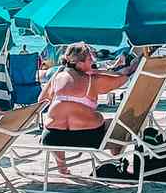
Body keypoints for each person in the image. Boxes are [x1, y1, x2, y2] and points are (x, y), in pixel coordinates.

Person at [38, 42, 133, 173]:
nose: (93, 61)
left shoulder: (57, 77)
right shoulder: (92, 80)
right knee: (119, 126)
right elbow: (122, 79)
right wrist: (100, 71)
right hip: (87, 137)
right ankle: (117, 160)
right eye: (89, 59)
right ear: (80, 63)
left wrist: (56, 75)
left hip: (51, 138)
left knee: (57, 123)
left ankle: (62, 167)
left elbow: (42, 99)